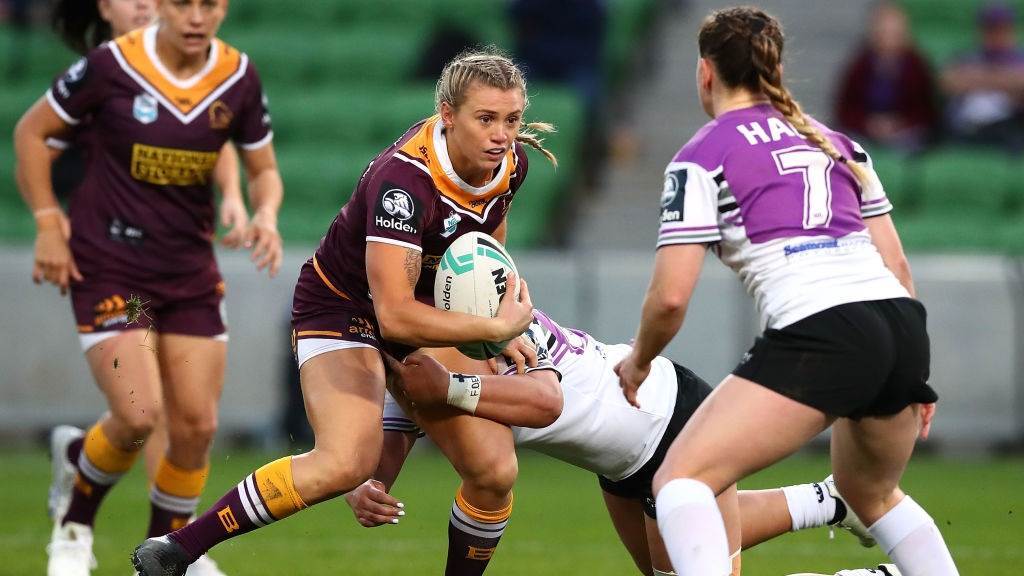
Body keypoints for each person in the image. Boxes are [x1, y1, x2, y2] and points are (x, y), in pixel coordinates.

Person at [130, 48, 556, 576]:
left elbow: (485, 240)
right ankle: (174, 552)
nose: (501, 134)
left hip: (419, 306)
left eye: (511, 119)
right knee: (346, 464)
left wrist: (492, 328)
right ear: (447, 114)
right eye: (485, 118)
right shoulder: (404, 182)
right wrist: (493, 327)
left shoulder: (510, 163)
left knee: (494, 470)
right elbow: (395, 318)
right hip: (342, 306)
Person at [613, 7, 958, 576]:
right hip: (901, 328)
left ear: (705, 73)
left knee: (681, 481)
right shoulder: (838, 142)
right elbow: (896, 263)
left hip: (823, 328)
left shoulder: (701, 157)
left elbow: (670, 298)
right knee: (868, 496)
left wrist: (639, 361)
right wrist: (914, 371)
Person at [13, 0, 283, 574]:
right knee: (139, 414)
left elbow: (260, 165)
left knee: (197, 426)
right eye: (181, 3)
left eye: (207, 4)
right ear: (162, 6)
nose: (194, 16)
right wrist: (45, 221)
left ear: (224, 8)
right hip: (115, 267)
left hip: (187, 272)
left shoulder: (238, 75)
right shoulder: (110, 66)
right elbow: (32, 132)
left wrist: (262, 213)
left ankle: (166, 556)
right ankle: (73, 527)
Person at [347, 308, 908, 576]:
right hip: (624, 460)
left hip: (674, 420)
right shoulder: (430, 353)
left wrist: (450, 386)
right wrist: (370, 482)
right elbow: (406, 415)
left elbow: (545, 403)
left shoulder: (498, 329)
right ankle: (831, 500)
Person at [833, 1, 938, 153]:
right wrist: (869, 124)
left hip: (905, 133)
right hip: (865, 131)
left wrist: (898, 125)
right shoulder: (860, 64)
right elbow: (845, 109)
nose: (888, 39)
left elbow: (926, 111)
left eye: (894, 33)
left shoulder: (917, 66)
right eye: (884, 32)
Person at [942, 3, 1024, 150]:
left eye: (1002, 29)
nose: (996, 35)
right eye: (991, 29)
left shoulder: (1019, 59)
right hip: (965, 130)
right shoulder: (967, 57)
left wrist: (978, 78)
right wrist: (1006, 80)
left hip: (1008, 128)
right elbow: (949, 82)